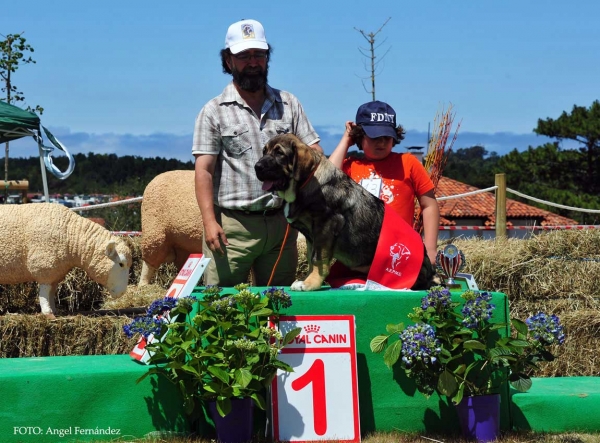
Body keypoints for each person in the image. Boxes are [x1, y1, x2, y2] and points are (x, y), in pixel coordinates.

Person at [192, 19, 323, 287]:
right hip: (232, 228)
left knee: (279, 309)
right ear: (228, 61)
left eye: (259, 55)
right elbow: (203, 171)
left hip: (281, 227)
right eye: (243, 56)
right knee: (222, 311)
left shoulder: (289, 104)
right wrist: (209, 222)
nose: (253, 62)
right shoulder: (214, 111)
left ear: (267, 58)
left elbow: (315, 153)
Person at [329, 100, 439, 265]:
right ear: (359, 136)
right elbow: (327, 178)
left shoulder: (408, 163)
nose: (381, 142)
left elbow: (429, 205)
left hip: (399, 253)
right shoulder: (350, 166)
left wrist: (430, 249)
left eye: (387, 137)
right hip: (356, 257)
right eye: (374, 137)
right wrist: (346, 140)